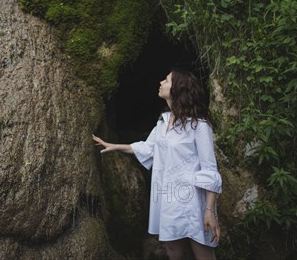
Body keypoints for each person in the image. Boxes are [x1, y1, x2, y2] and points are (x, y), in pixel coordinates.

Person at [93, 68, 222, 260]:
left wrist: (209, 211)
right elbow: (148, 148)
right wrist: (114, 146)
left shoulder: (199, 126)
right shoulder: (163, 123)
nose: (161, 82)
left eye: (167, 80)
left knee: (202, 252)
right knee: (173, 252)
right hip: (167, 198)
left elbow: (210, 170)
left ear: (178, 89)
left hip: (193, 202)